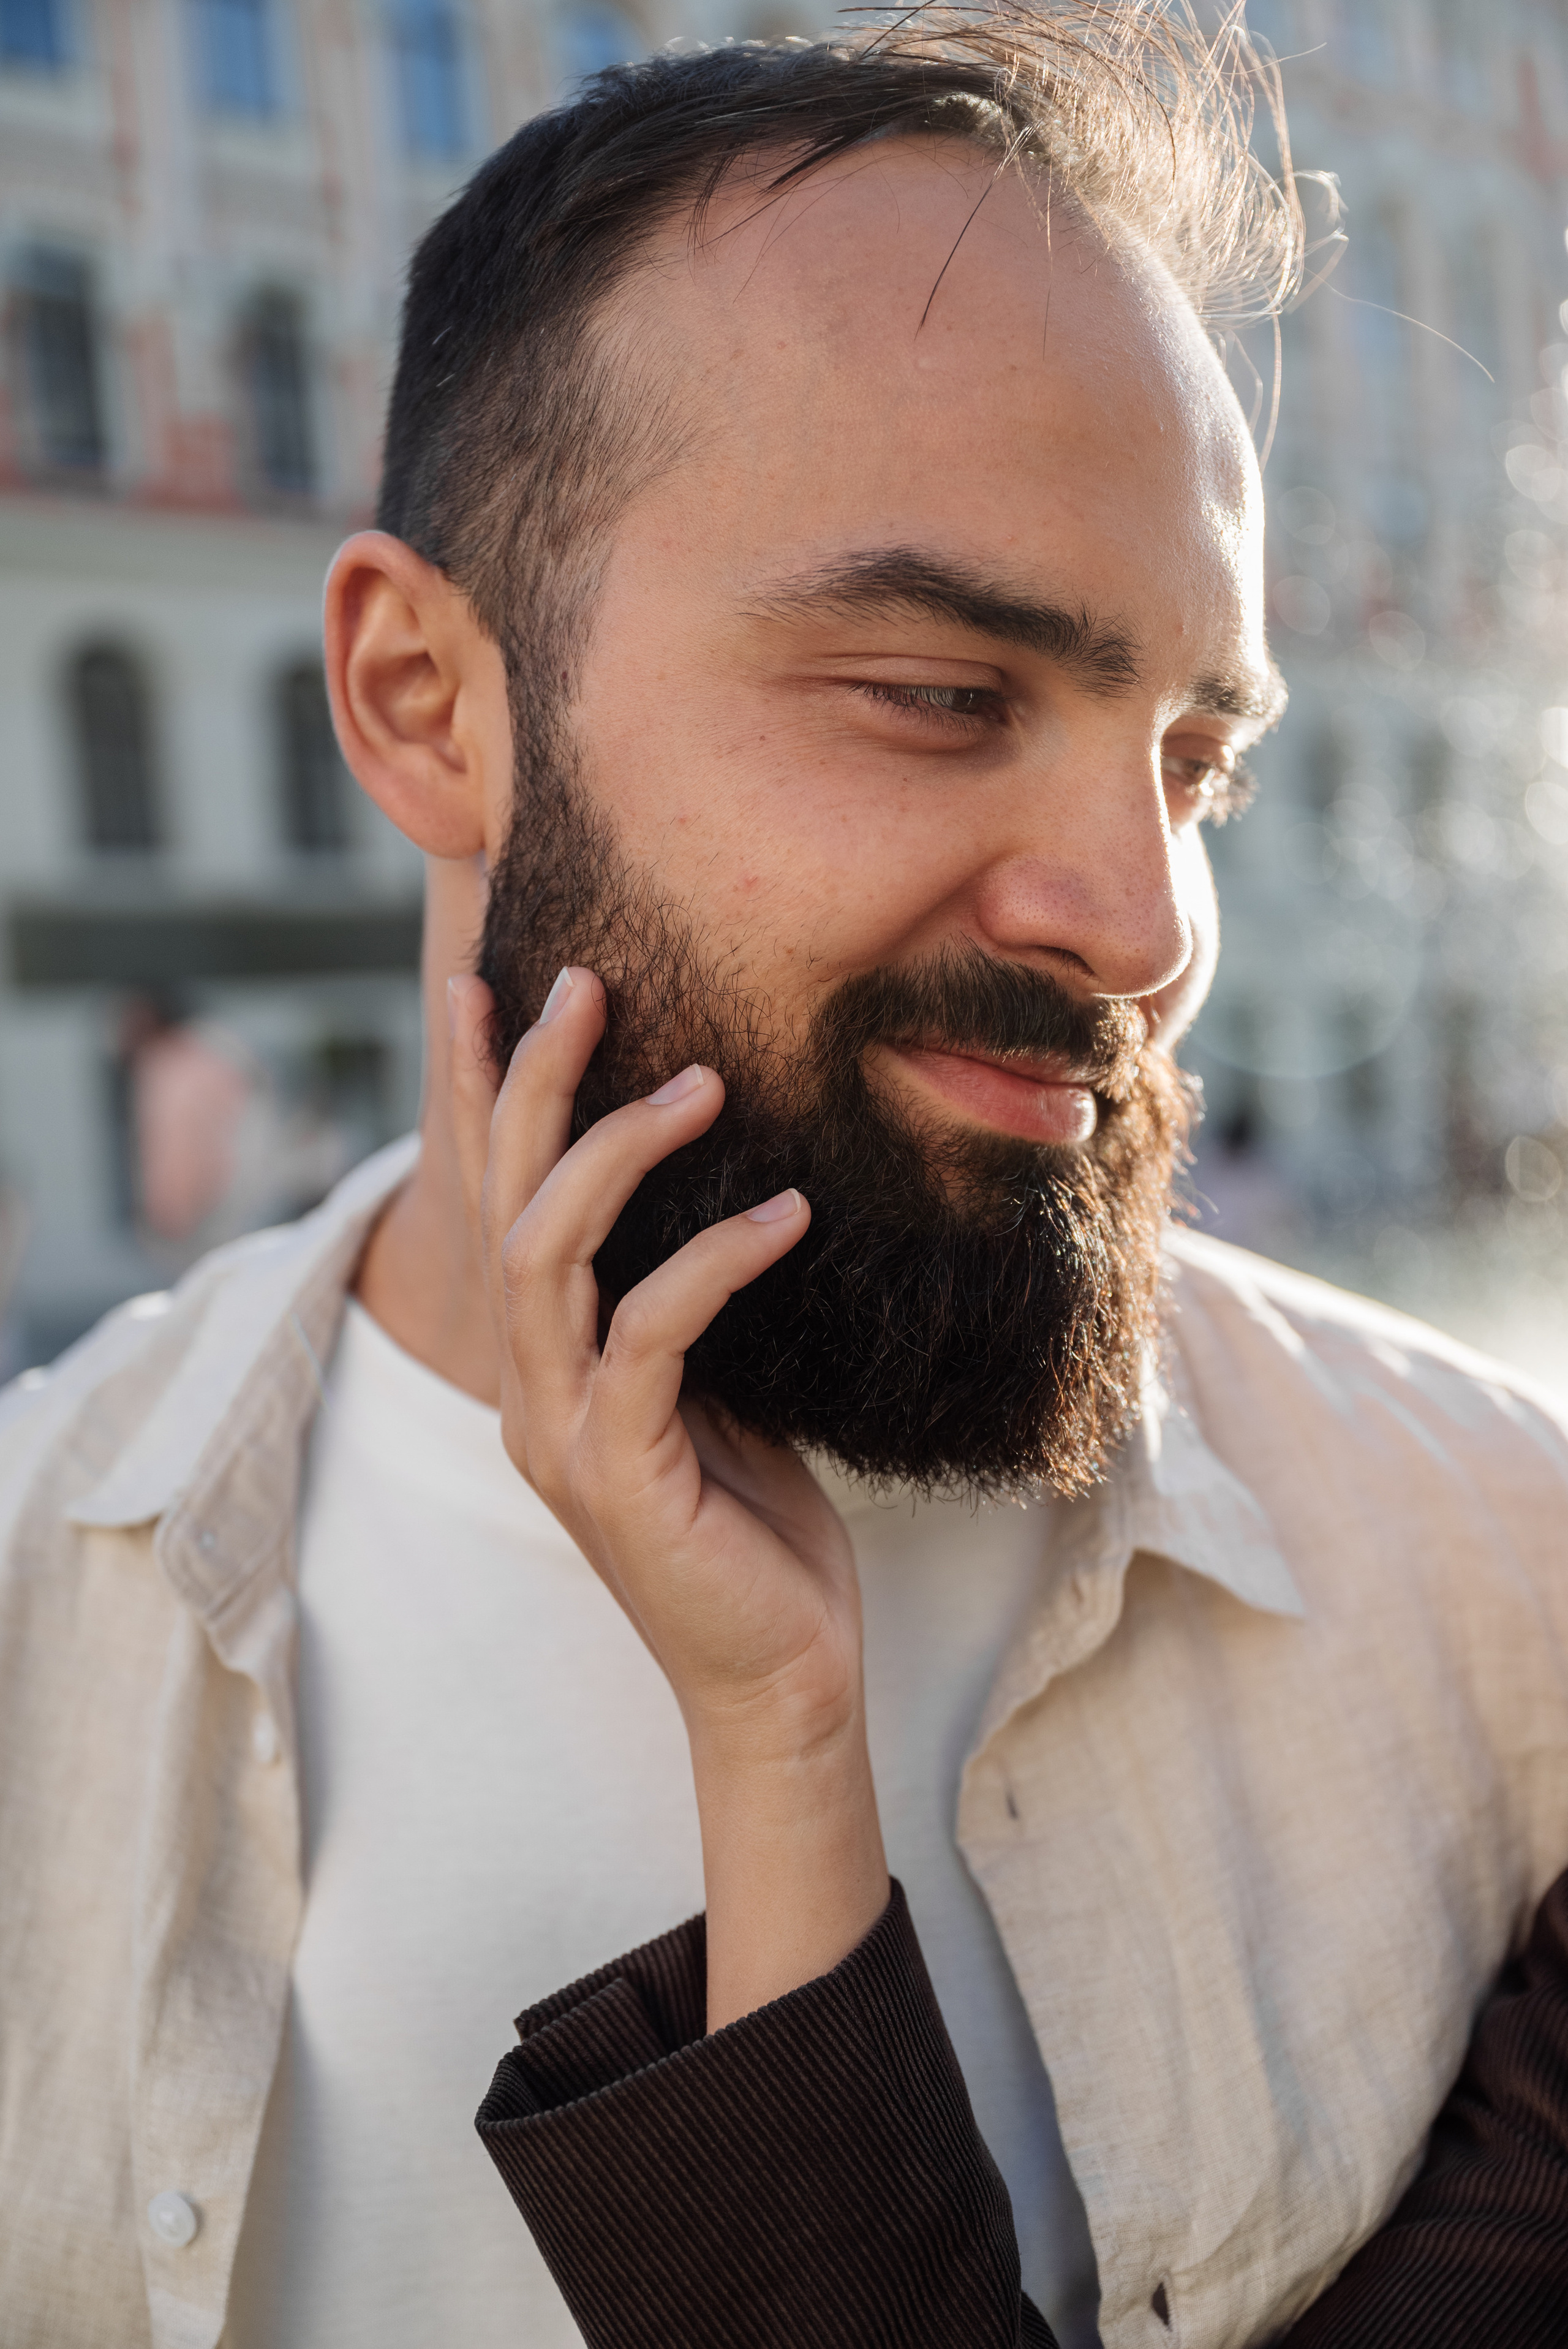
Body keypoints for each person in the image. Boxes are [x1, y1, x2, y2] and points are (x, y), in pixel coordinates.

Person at [1, 13, 1567, 2348]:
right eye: (940, 692)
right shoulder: (43, 1603)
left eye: (1197, 762)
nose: (1143, 927)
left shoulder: (1499, 1572)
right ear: (430, 703)